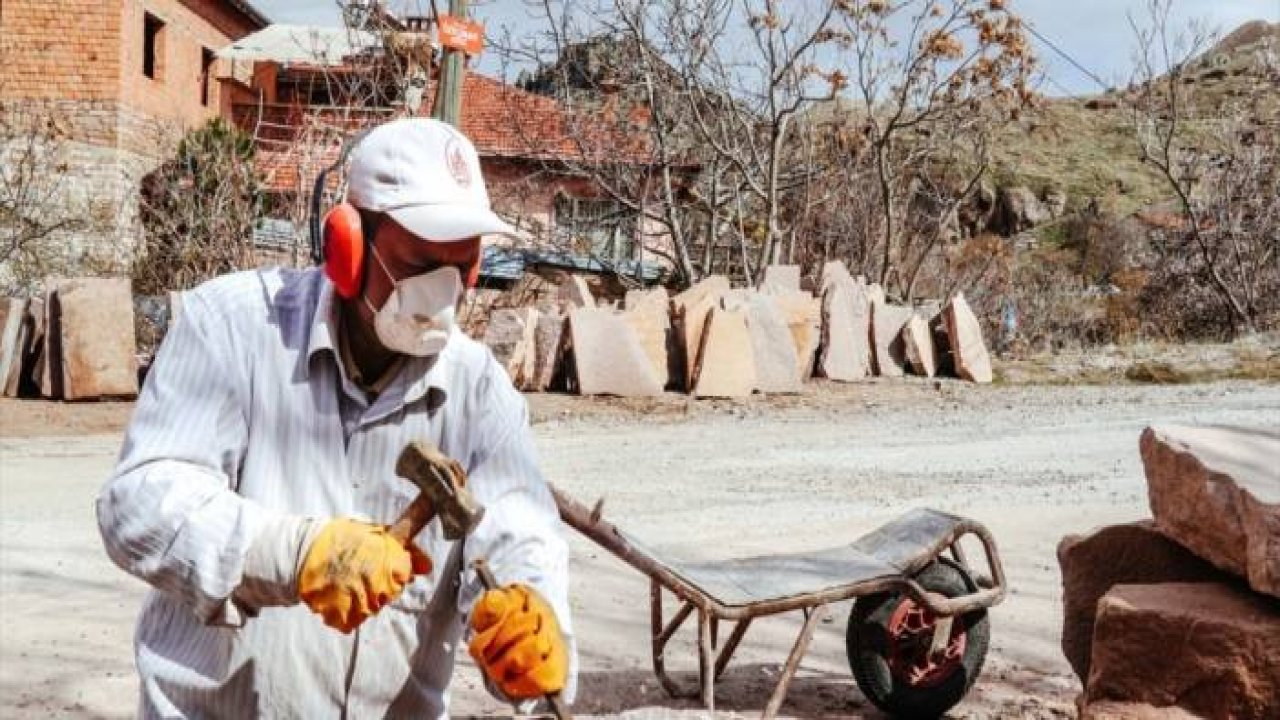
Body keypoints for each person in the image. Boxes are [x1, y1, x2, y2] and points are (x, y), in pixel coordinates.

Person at [96, 118, 574, 718]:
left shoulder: (480, 395)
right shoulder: (234, 328)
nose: (442, 294)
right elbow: (138, 503)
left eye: (463, 268)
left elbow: (520, 532)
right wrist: (295, 553)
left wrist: (532, 616)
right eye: (421, 263)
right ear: (346, 247)